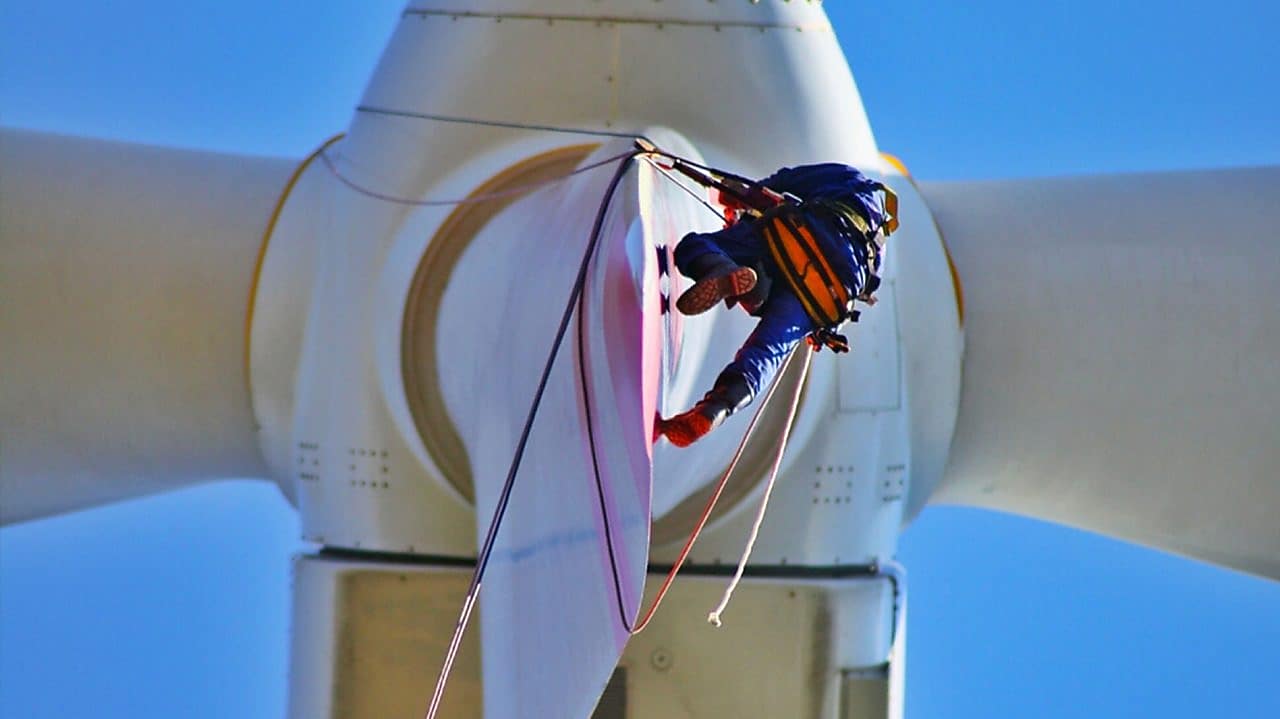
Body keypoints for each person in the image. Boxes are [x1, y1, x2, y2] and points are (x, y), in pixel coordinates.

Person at [655, 162, 897, 447]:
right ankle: (713, 411)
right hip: (823, 299)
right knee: (765, 353)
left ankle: (721, 269)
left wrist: (736, 199)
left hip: (801, 239)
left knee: (694, 246)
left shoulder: (848, 177)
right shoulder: (876, 252)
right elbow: (865, 290)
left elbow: (777, 183)